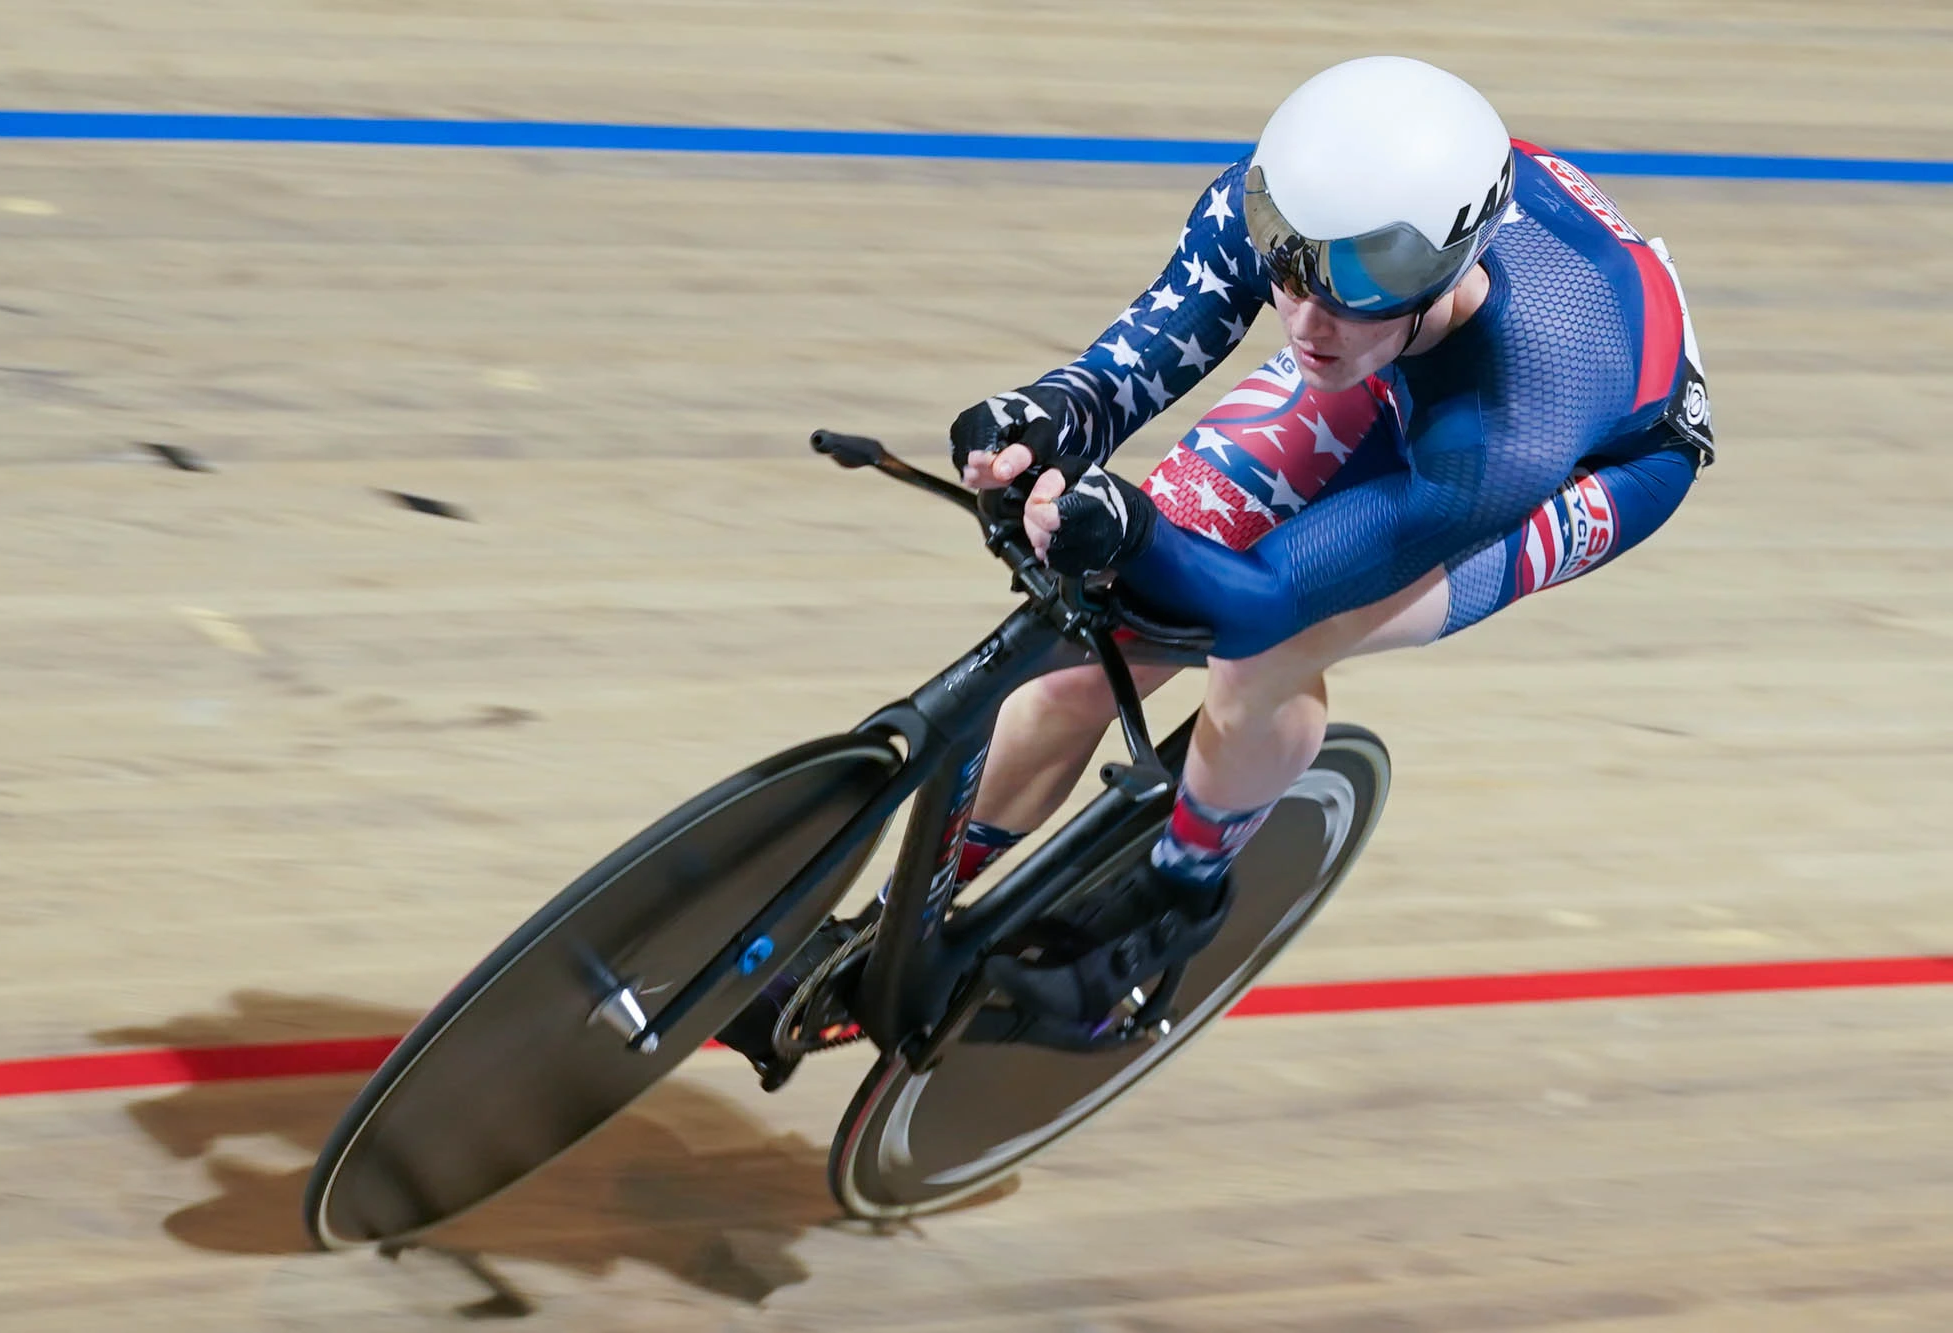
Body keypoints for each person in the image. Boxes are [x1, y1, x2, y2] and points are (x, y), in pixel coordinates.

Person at [721, 55, 1712, 1070]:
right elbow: (1126, 368)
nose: (1304, 317)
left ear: (1447, 263)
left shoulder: (1512, 420)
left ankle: (1178, 896)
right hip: (1407, 358)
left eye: (1353, 279)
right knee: (1081, 659)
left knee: (1269, 653)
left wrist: (1137, 533)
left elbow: (1264, 601)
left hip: (1600, 457)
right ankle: (879, 931)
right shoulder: (1312, 227)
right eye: (1285, 265)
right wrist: (1042, 420)